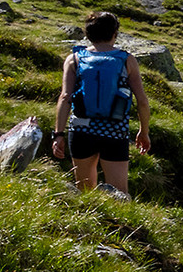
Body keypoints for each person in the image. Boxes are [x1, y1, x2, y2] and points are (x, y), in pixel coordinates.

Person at [53, 11, 151, 194]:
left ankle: (85, 221)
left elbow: (65, 97)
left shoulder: (74, 59)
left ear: (88, 34)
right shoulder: (126, 60)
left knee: (84, 191)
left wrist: (58, 134)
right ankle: (120, 222)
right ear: (115, 34)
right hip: (114, 131)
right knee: (119, 192)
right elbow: (142, 101)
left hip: (81, 131)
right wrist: (143, 131)